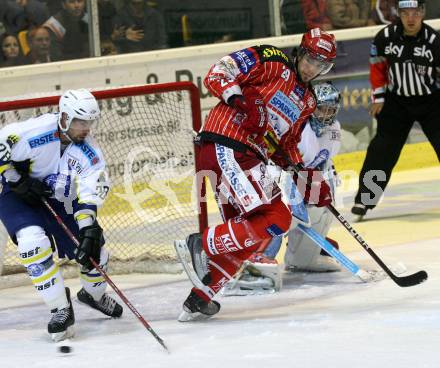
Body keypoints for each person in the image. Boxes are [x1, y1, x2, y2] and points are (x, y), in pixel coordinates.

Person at [175, 27, 337, 321]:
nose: (313, 68)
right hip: (228, 142)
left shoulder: (308, 102)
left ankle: (201, 296)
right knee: (277, 217)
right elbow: (219, 72)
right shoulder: (271, 59)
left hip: (247, 156)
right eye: (311, 58)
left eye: (322, 64)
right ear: (300, 51)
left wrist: (311, 180)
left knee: (248, 234)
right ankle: (201, 243)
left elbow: (285, 146)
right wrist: (241, 103)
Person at [0, 89, 123, 342]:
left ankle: (94, 295)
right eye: (80, 122)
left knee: (95, 251)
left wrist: (88, 229)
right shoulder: (33, 132)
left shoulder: (90, 152)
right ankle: (60, 308)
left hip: (57, 197)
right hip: (16, 194)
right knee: (32, 243)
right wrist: (16, 179)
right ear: (65, 117)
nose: (86, 128)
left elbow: (89, 191)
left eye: (89, 122)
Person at [223, 82, 343, 295]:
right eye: (321, 109)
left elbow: (323, 163)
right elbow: (274, 159)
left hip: (303, 178)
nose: (325, 115)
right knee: (282, 213)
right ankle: (255, 262)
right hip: (274, 176)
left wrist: (320, 185)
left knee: (324, 205)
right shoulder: (295, 124)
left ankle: (304, 255)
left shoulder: (334, 130)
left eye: (330, 110)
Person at [352, 0, 440, 220]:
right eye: (405, 13)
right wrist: (378, 98)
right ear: (398, 14)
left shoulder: (435, 40)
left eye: (416, 13)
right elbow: (377, 67)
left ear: (423, 13)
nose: (411, 18)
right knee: (381, 151)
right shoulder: (385, 37)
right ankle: (365, 199)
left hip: (432, 102)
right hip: (396, 102)